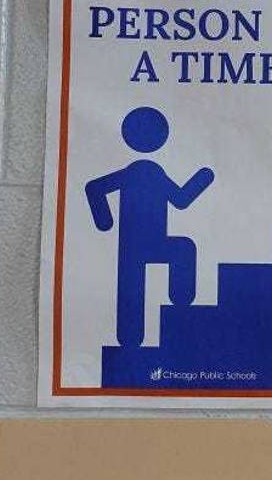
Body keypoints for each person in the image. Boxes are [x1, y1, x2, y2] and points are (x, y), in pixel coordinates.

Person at [85, 107, 214, 347]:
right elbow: (181, 200)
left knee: (182, 250)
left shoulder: (148, 172)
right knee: (137, 284)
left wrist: (203, 179)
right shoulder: (142, 172)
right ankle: (168, 311)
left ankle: (179, 303)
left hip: (145, 242)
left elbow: (95, 188)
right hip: (134, 244)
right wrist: (104, 221)